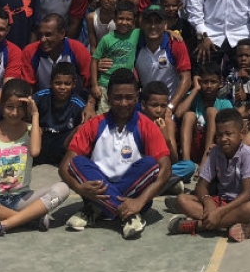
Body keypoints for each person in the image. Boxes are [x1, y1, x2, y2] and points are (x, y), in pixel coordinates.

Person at [61, 69, 172, 239]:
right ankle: (127, 215)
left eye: (129, 97)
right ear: (108, 97)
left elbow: (166, 169)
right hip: (96, 189)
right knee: (77, 162)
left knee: (151, 164)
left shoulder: (147, 125)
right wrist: (78, 188)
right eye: (118, 97)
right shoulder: (94, 124)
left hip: (133, 195)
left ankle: (97, 209)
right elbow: (64, 166)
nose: (123, 103)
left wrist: (140, 202)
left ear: (137, 97)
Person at [0, 78, 70, 242]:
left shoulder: (32, 130)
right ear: (1, 106)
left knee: (62, 189)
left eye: (21, 108)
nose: (15, 113)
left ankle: (1, 226)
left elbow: (34, 151)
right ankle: (31, 219)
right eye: (9, 107)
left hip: (22, 198)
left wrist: (35, 115)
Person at [168, 109, 250, 241]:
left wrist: (219, 213)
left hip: (242, 204)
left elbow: (247, 194)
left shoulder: (248, 154)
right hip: (222, 201)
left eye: (229, 134)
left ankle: (198, 225)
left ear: (241, 133)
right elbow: (201, 185)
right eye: (219, 135)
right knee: (182, 200)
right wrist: (208, 202)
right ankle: (230, 224)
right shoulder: (215, 152)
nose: (224, 139)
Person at [175, 62, 233, 163]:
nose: (209, 86)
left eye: (213, 82)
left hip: (213, 148)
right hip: (193, 146)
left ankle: (206, 160)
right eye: (205, 82)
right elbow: (178, 114)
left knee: (212, 112)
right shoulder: (194, 97)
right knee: (189, 115)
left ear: (221, 83)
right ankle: (186, 162)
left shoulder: (224, 103)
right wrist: (195, 89)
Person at [90, 1, 140, 115]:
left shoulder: (136, 34)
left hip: (126, 84)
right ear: (114, 18)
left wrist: (170, 31)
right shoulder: (106, 39)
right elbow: (94, 60)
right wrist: (94, 85)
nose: (124, 22)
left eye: (128, 19)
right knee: (105, 114)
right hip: (106, 83)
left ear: (134, 21)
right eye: (121, 18)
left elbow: (154, 31)